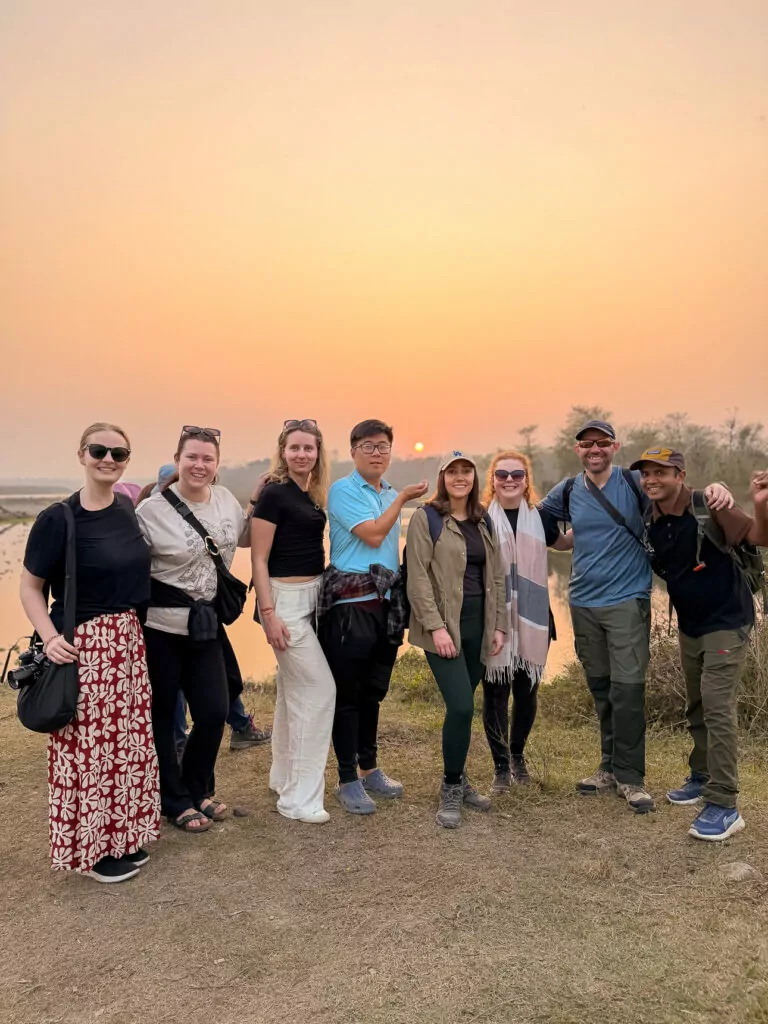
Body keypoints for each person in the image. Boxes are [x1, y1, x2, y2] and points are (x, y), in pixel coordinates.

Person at [538, 419, 733, 814]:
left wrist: (717, 488)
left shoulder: (633, 483)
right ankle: (608, 767)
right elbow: (540, 518)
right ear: (578, 450)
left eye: (602, 443)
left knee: (627, 690)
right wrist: (562, 540)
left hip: (627, 601)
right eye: (587, 444)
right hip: (582, 602)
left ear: (615, 447)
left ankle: (631, 778)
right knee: (602, 687)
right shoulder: (569, 489)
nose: (594, 449)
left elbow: (677, 496)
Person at [20, 422, 161, 884]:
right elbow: (30, 586)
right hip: (84, 646)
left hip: (127, 640)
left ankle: (121, 835)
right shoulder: (59, 518)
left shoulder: (125, 507)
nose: (108, 460)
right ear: (81, 454)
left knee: (127, 743)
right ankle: (91, 850)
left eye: (118, 453)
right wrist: (49, 637)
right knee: (89, 749)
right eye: (99, 450)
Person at [633, 449, 768, 840]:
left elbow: (760, 537)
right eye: (646, 474)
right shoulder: (651, 517)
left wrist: (760, 504)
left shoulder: (709, 504)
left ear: (680, 475)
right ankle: (702, 774)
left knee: (716, 704)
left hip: (727, 620)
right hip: (690, 626)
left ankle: (724, 804)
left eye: (661, 472)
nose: (651, 480)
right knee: (696, 702)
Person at [136, 426, 250, 833]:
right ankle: (174, 800)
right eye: (192, 457)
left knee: (214, 711)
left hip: (206, 627)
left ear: (217, 464)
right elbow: (129, 567)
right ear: (178, 460)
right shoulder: (150, 511)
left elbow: (248, 536)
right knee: (163, 714)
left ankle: (197, 788)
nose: (199, 465)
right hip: (160, 630)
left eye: (207, 458)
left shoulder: (226, 501)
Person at [318, 418, 428, 814]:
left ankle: (369, 767)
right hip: (350, 606)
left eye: (383, 446)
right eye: (368, 446)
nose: (376, 453)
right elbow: (375, 534)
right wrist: (405, 499)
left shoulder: (390, 492)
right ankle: (347, 778)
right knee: (348, 694)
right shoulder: (343, 490)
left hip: (386, 604)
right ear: (353, 451)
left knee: (373, 691)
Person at [405, 452, 506, 828]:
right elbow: (417, 576)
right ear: (442, 478)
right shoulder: (426, 518)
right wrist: (435, 627)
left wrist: (499, 626)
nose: (460, 477)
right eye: (452, 472)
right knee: (462, 707)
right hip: (444, 627)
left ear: (475, 478)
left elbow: (497, 576)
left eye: (466, 471)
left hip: (480, 625)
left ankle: (460, 779)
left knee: (461, 707)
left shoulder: (483, 520)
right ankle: (450, 787)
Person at [250, 419, 335, 824]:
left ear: (318, 453)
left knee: (291, 692)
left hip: (312, 598)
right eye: (295, 447)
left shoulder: (310, 493)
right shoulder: (274, 494)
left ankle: (283, 777)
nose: (302, 454)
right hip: (283, 602)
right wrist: (269, 614)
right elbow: (258, 558)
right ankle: (299, 800)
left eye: (309, 448)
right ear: (283, 451)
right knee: (319, 691)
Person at [481, 451, 572, 791]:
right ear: (492, 480)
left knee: (526, 691)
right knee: (495, 692)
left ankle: (517, 756)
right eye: (502, 474)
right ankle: (500, 766)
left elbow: (563, 543)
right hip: (495, 617)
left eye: (516, 475)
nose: (509, 480)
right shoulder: (480, 518)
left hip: (535, 618)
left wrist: (592, 524)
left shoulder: (542, 517)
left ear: (526, 480)